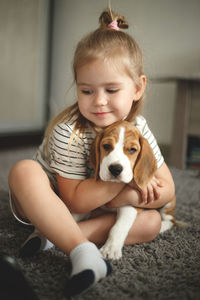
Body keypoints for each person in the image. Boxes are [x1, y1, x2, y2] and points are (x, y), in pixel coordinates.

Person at [8, 8, 175, 297]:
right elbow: (75, 202)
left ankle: (53, 239)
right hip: (51, 203)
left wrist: (142, 181)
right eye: (87, 91)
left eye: (111, 90)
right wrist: (135, 186)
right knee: (22, 171)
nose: (98, 102)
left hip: (93, 207)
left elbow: (168, 190)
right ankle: (82, 251)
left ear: (137, 88)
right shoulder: (68, 131)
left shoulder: (139, 128)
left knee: (152, 221)